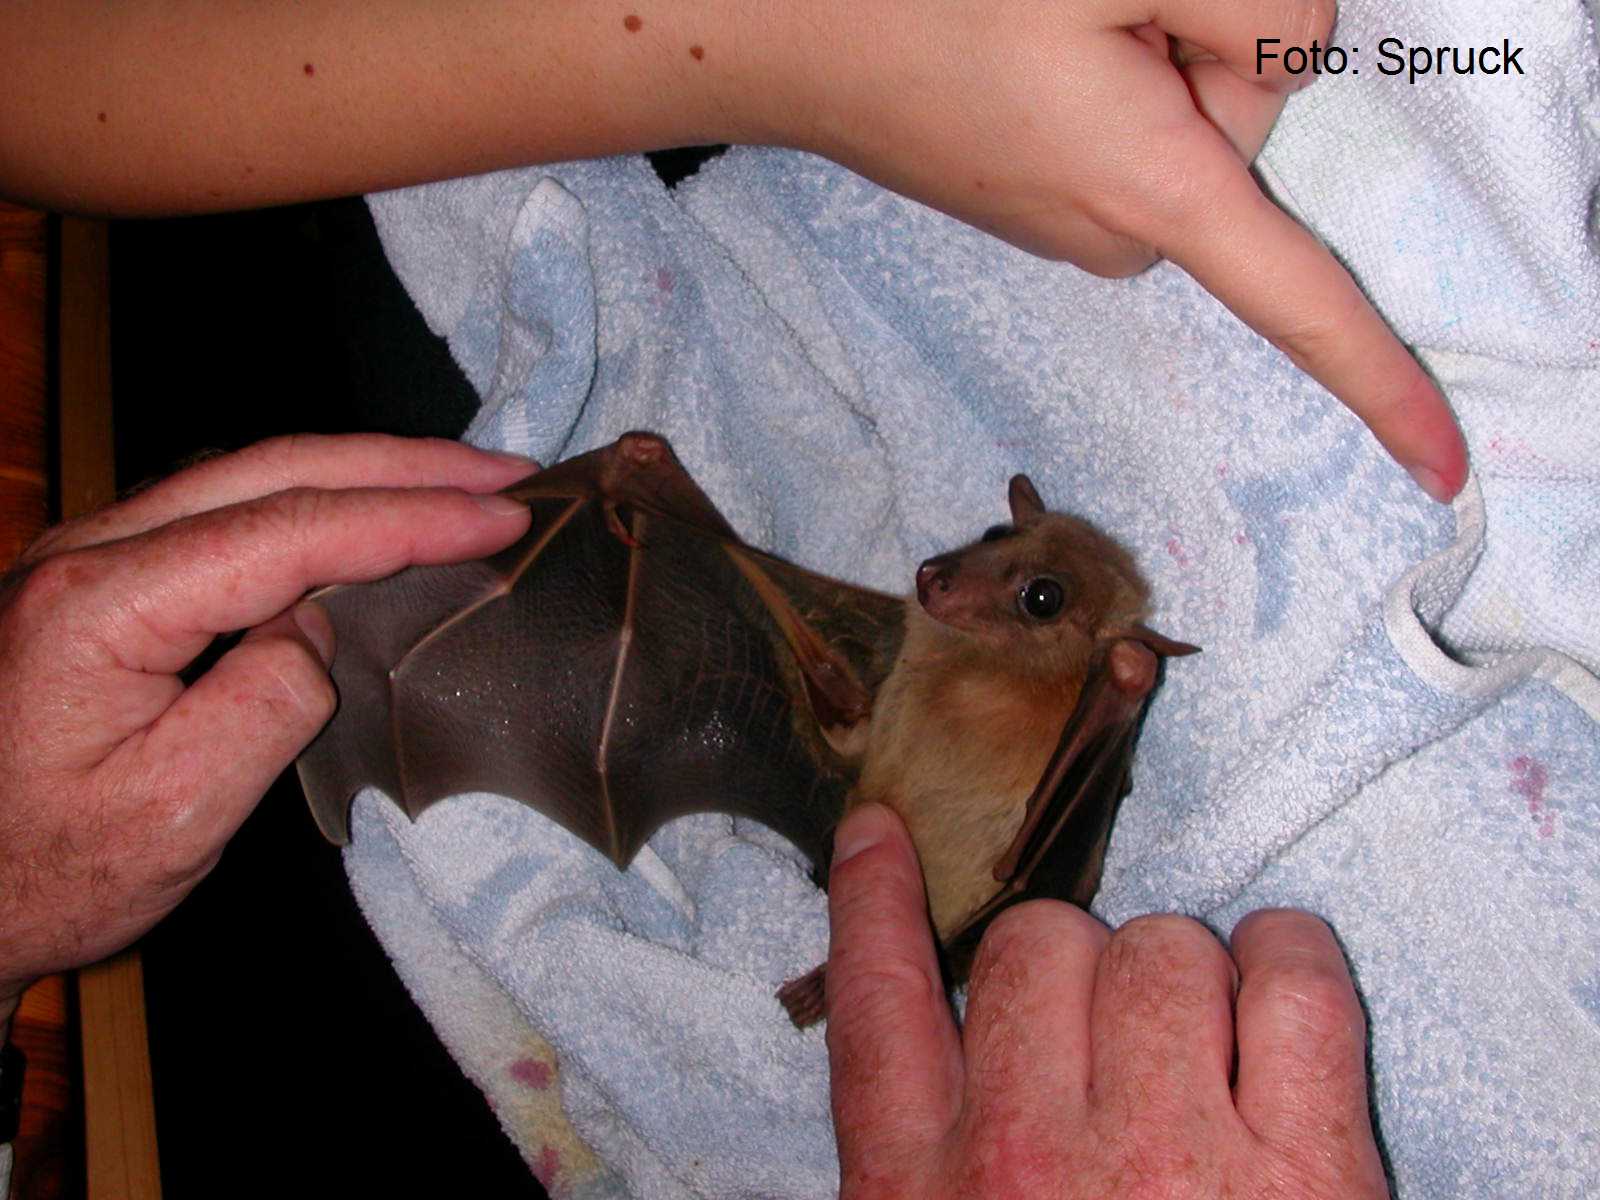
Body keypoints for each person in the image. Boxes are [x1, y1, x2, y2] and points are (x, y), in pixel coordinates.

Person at [0, 0, 1444, 1191]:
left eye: (1026, 597)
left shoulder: (1081, 708)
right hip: (855, 810)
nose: (962, 586)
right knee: (629, 518)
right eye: (988, 564)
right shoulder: (921, 637)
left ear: (1104, 652)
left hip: (967, 902)